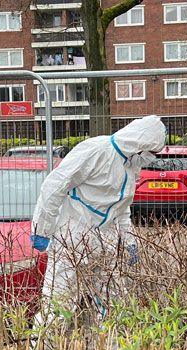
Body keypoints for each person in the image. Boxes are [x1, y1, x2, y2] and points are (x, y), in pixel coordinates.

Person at [30, 115, 166, 314]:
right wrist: (41, 229)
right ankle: (47, 346)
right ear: (140, 145)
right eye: (152, 152)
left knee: (113, 306)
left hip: (106, 240)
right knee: (58, 307)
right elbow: (54, 186)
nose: (151, 158)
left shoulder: (129, 167)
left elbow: (121, 210)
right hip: (74, 235)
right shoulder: (96, 150)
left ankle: (110, 345)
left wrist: (129, 242)